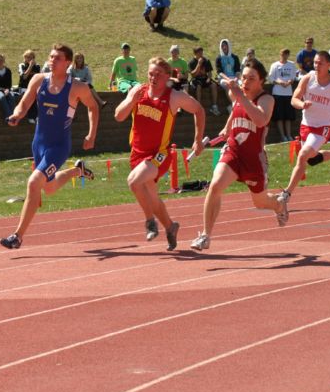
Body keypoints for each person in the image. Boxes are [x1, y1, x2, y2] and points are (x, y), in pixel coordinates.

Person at [0, 44, 99, 249]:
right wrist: (17, 114)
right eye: (51, 57)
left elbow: (93, 107)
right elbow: (25, 103)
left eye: (58, 58)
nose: (52, 60)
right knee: (50, 188)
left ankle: (17, 236)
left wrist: (91, 133)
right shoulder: (38, 80)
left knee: (33, 183)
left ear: (68, 63)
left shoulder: (77, 87)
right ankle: (76, 171)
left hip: (58, 146)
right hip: (39, 144)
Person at [190, 60, 290, 250]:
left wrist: (239, 96)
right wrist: (227, 128)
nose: (246, 82)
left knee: (260, 202)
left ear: (261, 81)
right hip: (233, 151)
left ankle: (278, 204)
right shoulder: (238, 96)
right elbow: (236, 111)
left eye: (251, 78)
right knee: (215, 185)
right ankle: (205, 235)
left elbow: (260, 120)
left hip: (254, 160)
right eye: (244, 77)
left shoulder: (267, 100)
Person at [115, 57, 205, 251]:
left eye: (157, 74)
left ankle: (150, 222)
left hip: (159, 154)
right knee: (153, 199)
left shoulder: (174, 96)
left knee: (133, 182)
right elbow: (118, 116)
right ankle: (170, 227)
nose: (153, 78)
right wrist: (131, 100)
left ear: (167, 76)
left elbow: (198, 110)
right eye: (150, 74)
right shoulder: (138, 91)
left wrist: (198, 140)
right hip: (137, 153)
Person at [278, 51, 330, 208]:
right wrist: (302, 104)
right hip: (306, 125)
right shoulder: (308, 78)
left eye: (320, 63)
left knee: (302, 155)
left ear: (329, 65)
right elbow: (294, 99)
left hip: (323, 127)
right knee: (311, 159)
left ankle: (286, 194)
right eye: (315, 63)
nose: (316, 66)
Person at [268, 48, 298, 141]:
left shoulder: (291, 65)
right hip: (278, 93)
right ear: (280, 55)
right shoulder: (275, 65)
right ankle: (283, 136)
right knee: (279, 117)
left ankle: (288, 135)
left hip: (288, 93)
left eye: (286, 54)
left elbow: (294, 76)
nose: (284, 56)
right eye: (283, 54)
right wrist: (278, 82)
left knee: (288, 116)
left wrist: (290, 81)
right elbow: (270, 78)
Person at [215, 39, 240, 115]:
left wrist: (235, 79)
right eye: (222, 46)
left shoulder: (234, 57)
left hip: (234, 77)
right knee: (228, 85)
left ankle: (241, 104)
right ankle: (233, 104)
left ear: (229, 46)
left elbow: (237, 71)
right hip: (224, 78)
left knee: (241, 85)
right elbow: (219, 72)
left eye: (225, 45)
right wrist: (228, 79)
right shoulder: (219, 58)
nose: (224, 47)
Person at [17, 49, 41, 123]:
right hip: (23, 88)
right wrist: (30, 66)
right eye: (27, 57)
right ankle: (31, 116)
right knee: (30, 96)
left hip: (34, 87)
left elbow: (39, 78)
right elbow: (24, 77)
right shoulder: (22, 65)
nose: (29, 59)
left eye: (31, 57)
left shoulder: (37, 66)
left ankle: (38, 116)